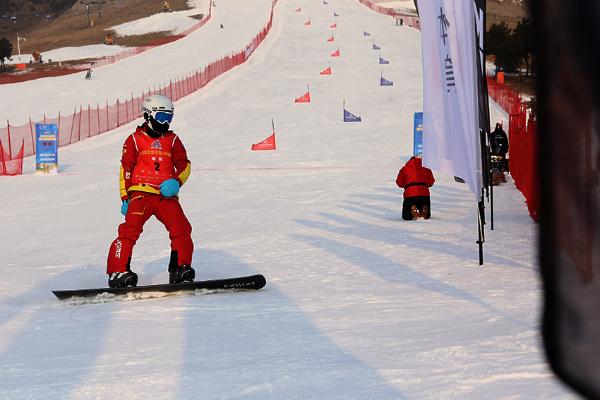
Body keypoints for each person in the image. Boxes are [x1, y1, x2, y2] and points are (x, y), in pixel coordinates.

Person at [106, 94, 194, 288]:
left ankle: (180, 268)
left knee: (181, 228)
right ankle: (118, 271)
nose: (165, 123)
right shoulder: (134, 140)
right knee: (129, 230)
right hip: (141, 194)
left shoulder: (173, 140)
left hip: (165, 195)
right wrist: (125, 197)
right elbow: (125, 169)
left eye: (169, 118)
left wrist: (176, 182)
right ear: (148, 115)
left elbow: (184, 165)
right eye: (161, 117)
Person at [395, 155, 435, 220]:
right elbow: (431, 182)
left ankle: (412, 210)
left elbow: (399, 182)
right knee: (427, 216)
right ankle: (423, 212)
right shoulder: (427, 168)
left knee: (406, 217)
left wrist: (406, 186)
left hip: (410, 194)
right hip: (424, 193)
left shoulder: (404, 169)